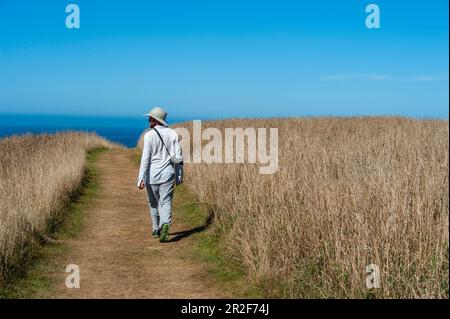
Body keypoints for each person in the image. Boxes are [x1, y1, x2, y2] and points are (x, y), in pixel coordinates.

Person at [137, 106, 183, 242]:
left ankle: (156, 229)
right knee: (165, 201)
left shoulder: (149, 136)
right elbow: (178, 157)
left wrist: (140, 178)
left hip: (152, 175)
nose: (148, 120)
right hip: (168, 174)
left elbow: (145, 159)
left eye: (150, 118)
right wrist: (180, 175)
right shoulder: (173, 133)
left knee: (153, 203)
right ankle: (165, 225)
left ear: (155, 120)